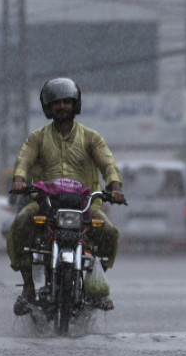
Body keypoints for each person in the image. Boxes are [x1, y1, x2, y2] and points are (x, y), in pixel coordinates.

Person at [7, 77, 125, 315]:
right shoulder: (37, 138)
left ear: (75, 105)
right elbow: (24, 160)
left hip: (85, 206)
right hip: (46, 204)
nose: (62, 107)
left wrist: (115, 187)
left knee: (109, 233)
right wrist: (19, 180)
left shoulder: (91, 138)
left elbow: (108, 163)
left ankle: (95, 281)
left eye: (66, 102)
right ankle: (28, 286)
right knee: (19, 223)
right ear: (48, 107)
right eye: (56, 103)